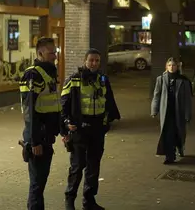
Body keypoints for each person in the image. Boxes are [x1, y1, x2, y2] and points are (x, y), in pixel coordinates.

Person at [61, 48, 120, 210]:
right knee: (77, 166)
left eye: (97, 61)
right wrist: (66, 124)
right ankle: (69, 200)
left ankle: (89, 201)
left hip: (97, 130)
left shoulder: (103, 79)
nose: (94, 63)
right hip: (79, 130)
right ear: (85, 61)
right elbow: (63, 104)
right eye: (91, 60)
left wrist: (106, 123)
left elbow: (109, 103)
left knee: (93, 166)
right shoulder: (74, 80)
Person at [19, 37, 62, 210]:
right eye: (52, 52)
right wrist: (35, 140)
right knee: (37, 184)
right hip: (39, 138)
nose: (55, 55)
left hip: (46, 136)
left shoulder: (49, 73)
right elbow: (29, 110)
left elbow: (53, 105)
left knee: (40, 182)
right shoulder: (33, 74)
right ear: (40, 53)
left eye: (55, 52)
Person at [151, 57, 192, 164]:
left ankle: (180, 147)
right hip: (166, 111)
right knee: (168, 134)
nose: (171, 67)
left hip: (178, 111)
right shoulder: (161, 79)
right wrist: (154, 110)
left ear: (177, 67)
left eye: (173, 65)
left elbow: (188, 99)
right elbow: (157, 95)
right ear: (166, 67)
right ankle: (170, 156)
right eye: (169, 65)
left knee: (178, 133)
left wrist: (188, 114)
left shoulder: (183, 80)